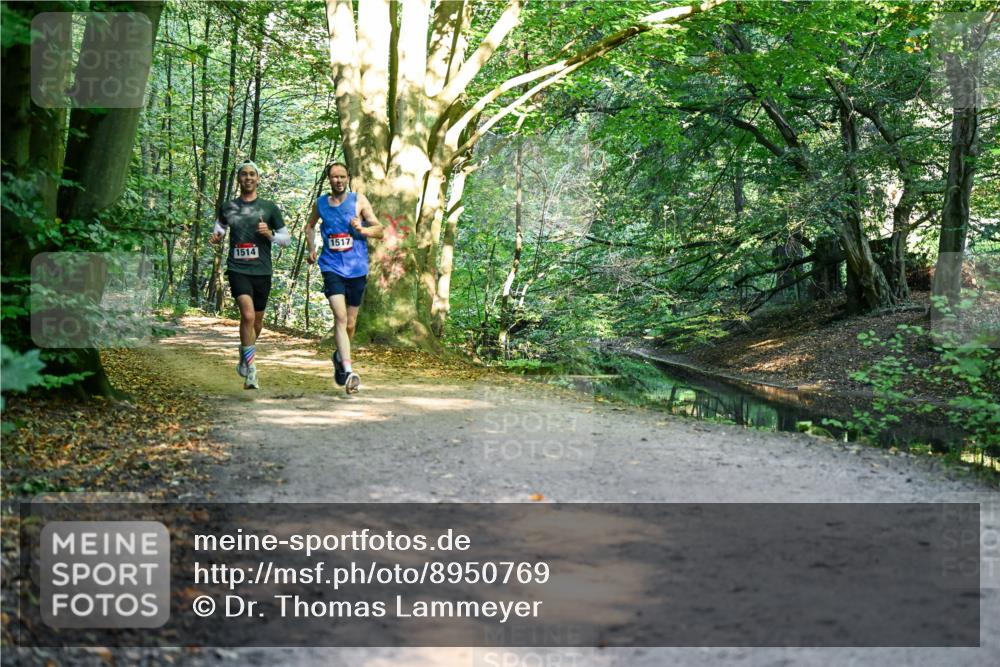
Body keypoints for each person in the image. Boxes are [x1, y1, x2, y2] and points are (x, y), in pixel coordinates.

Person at [210, 161, 289, 389]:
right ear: (239, 179)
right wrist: (217, 237)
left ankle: (245, 352)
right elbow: (220, 229)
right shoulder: (228, 207)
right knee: (247, 315)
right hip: (238, 269)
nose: (248, 178)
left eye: (252, 174)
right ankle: (252, 370)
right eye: (244, 174)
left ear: (258, 179)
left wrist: (271, 235)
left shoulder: (269, 208)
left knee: (257, 321)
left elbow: (286, 240)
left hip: (262, 271)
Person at [305, 162, 383, 394]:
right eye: (333, 177)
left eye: (341, 177)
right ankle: (348, 371)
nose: (337, 180)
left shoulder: (359, 200)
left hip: (357, 269)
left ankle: (339, 356)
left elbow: (380, 229)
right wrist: (312, 248)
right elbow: (309, 227)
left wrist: (363, 230)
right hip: (331, 267)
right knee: (340, 317)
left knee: (350, 324)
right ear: (328, 179)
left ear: (348, 178)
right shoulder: (321, 203)